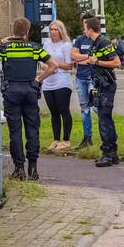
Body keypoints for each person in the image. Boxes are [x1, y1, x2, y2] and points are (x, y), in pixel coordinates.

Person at [0, 17, 58, 181]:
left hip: (11, 91)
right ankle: (33, 168)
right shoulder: (34, 48)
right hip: (30, 91)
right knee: (32, 130)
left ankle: (19, 169)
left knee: (15, 132)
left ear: (12, 30)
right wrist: (38, 80)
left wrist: (2, 42)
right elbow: (54, 65)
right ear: (27, 31)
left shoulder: (5, 49)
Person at [72, 14, 121, 167]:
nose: (84, 32)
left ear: (90, 30)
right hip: (98, 85)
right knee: (104, 118)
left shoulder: (103, 42)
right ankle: (112, 153)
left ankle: (107, 153)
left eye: (85, 29)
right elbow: (88, 59)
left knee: (104, 119)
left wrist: (98, 62)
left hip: (106, 85)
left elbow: (116, 62)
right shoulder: (94, 44)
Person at [42, 20, 75, 151]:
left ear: (61, 31)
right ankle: (56, 140)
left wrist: (54, 64)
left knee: (64, 110)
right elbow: (42, 62)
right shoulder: (46, 45)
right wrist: (46, 66)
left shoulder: (66, 45)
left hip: (62, 82)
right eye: (51, 29)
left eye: (56, 29)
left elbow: (69, 66)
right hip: (48, 82)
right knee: (54, 112)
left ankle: (66, 140)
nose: (53, 32)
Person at [70, 12, 97, 150]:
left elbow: (97, 58)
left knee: (97, 107)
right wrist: (87, 57)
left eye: (87, 23)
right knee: (84, 109)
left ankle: (108, 137)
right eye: (84, 23)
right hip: (80, 78)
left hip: (93, 79)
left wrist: (81, 58)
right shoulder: (80, 40)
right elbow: (73, 55)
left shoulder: (98, 40)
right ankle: (87, 138)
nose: (85, 26)